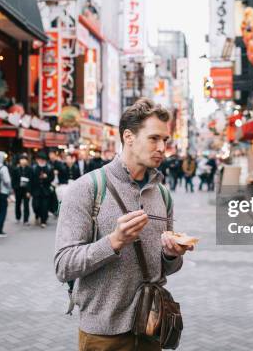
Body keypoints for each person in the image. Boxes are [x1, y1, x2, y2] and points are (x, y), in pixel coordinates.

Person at [55, 98, 193, 350]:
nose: (162, 147)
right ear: (128, 137)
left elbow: (165, 269)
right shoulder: (86, 189)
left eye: (165, 140)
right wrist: (114, 242)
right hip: (104, 333)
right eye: (154, 139)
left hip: (151, 325)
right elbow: (63, 265)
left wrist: (172, 256)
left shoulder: (161, 194)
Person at [31, 151, 53, 228]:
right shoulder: (33, 168)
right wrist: (29, 191)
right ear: (37, 160)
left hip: (46, 191)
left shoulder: (49, 168)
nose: (41, 161)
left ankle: (43, 221)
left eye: (43, 159)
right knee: (35, 206)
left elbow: (52, 178)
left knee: (45, 206)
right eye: (40, 159)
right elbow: (31, 179)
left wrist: (46, 177)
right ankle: (37, 215)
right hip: (36, 191)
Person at [12, 153, 33, 225]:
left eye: (25, 159)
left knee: (26, 205)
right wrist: (14, 189)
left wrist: (29, 191)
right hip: (18, 189)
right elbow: (13, 180)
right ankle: (18, 217)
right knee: (18, 204)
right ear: (19, 161)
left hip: (26, 190)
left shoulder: (30, 169)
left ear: (27, 161)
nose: (23, 161)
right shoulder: (16, 169)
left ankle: (26, 220)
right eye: (22, 159)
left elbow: (31, 181)